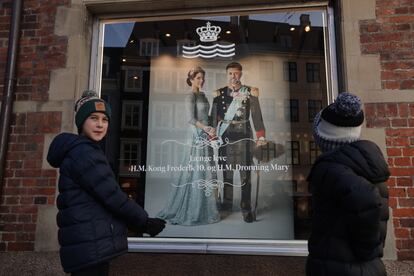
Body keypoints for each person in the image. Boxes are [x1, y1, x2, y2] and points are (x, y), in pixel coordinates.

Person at [47, 90, 166, 276]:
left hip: (86, 242)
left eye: (105, 120)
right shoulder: (85, 153)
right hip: (89, 243)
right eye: (93, 118)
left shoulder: (82, 151)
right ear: (81, 122)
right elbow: (112, 196)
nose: (100, 125)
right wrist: (144, 222)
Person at [306, 92, 390, 276]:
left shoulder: (334, 169)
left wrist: (365, 251)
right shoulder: (363, 164)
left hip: (342, 268)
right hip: (358, 266)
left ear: (324, 140)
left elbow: (367, 201)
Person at [157, 66, 220, 225]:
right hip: (196, 134)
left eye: (203, 78)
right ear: (191, 79)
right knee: (196, 168)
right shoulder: (190, 96)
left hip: (206, 133)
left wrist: (213, 125)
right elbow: (190, 119)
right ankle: (192, 208)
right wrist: (205, 128)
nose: (201, 80)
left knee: (205, 168)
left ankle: (204, 207)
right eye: (198, 78)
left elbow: (208, 115)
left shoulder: (203, 95)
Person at [210, 62, 266, 223]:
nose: (233, 76)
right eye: (230, 74)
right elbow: (213, 117)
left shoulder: (249, 92)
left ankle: (246, 207)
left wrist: (260, 136)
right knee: (227, 175)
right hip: (226, 137)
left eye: (236, 73)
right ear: (226, 74)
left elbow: (257, 116)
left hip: (244, 137)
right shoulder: (219, 94)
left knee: (245, 176)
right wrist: (212, 137)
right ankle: (227, 206)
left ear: (241, 74)